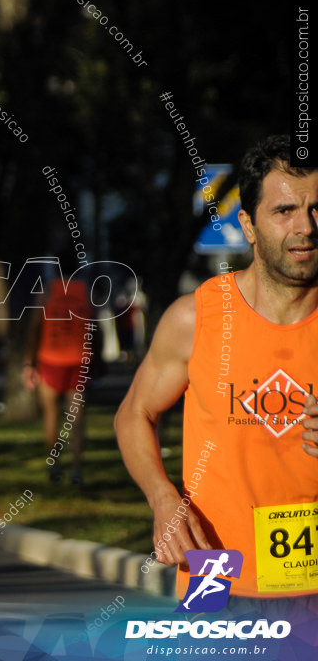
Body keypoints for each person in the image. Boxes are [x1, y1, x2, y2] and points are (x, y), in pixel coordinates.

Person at [115, 134, 318, 607]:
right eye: (284, 210)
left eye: (315, 209)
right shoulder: (197, 317)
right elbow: (134, 413)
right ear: (248, 225)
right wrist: (162, 498)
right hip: (216, 572)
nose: (305, 227)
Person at [22, 264, 96, 484]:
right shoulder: (86, 291)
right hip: (79, 358)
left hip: (51, 358)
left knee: (51, 415)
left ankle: (54, 464)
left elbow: (35, 327)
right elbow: (96, 326)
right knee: (77, 418)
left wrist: (29, 362)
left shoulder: (48, 290)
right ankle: (76, 469)